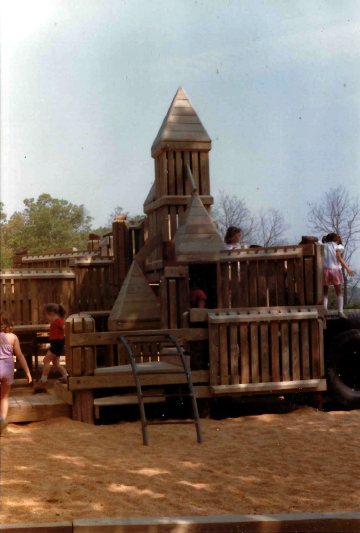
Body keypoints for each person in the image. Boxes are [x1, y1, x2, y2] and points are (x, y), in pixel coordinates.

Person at [0, 311, 32, 434]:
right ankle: (3, 420)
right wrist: (28, 372)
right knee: (4, 397)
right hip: (8, 370)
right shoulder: (13, 337)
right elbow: (19, 355)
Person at [34, 304, 68, 391]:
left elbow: (65, 328)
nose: (46, 318)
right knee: (56, 363)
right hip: (56, 343)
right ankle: (67, 377)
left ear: (51, 313)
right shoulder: (55, 322)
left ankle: (43, 381)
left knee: (46, 360)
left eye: (46, 315)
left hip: (57, 343)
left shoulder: (58, 321)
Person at [323, 233, 355, 319]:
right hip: (335, 270)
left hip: (324, 270)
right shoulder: (338, 247)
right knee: (339, 292)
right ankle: (340, 311)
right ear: (336, 240)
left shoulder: (322, 246)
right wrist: (347, 268)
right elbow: (339, 257)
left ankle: (325, 310)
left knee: (324, 292)